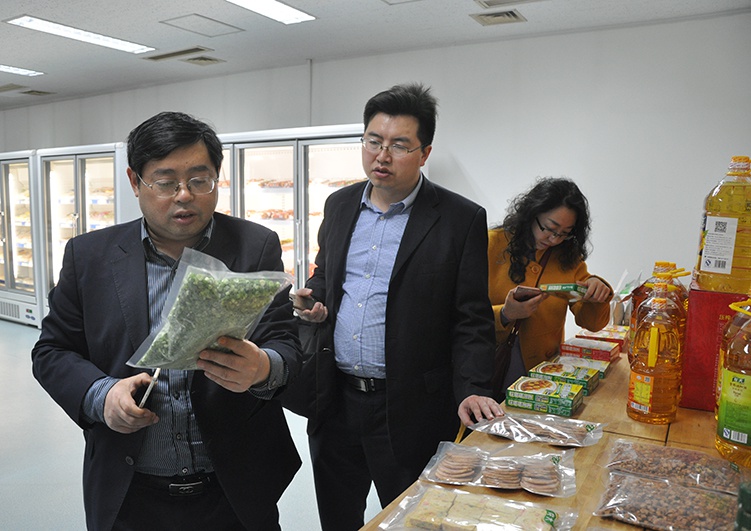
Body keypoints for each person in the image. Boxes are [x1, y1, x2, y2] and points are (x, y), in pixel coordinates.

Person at [31, 111, 302, 531]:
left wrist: (263, 367)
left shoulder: (255, 245)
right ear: (135, 181)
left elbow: (285, 342)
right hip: (130, 492)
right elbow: (52, 350)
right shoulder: (89, 256)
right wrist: (102, 395)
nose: (184, 195)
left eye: (200, 180)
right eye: (165, 182)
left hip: (235, 489)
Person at [289, 83, 502, 531]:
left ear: (424, 153)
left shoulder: (460, 219)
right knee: (338, 519)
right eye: (374, 141)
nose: (382, 156)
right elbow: (327, 275)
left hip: (411, 408)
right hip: (336, 401)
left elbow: (471, 318)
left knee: (412, 520)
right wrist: (315, 299)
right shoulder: (340, 204)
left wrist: (473, 387)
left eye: (399, 145)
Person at [488, 177, 612, 394]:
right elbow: (459, 315)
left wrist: (597, 292)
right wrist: (505, 314)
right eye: (549, 228)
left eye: (564, 233)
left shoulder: (569, 259)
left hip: (542, 375)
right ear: (532, 213)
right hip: (487, 364)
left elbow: (592, 323)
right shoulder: (490, 244)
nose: (554, 239)